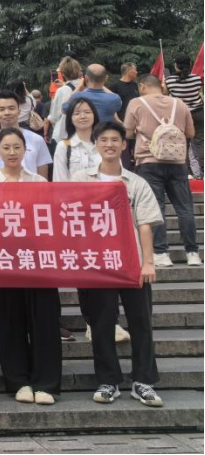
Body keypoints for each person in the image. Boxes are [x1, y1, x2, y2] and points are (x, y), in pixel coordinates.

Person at [72, 121, 165, 407]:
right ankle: (108, 381)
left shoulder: (136, 183)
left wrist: (148, 262)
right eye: (104, 140)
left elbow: (145, 225)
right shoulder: (81, 180)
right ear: (96, 144)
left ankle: (143, 381)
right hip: (97, 265)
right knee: (101, 325)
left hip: (132, 264)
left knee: (141, 323)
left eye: (115, 140)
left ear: (124, 145)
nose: (109, 144)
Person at [0, 128, 62, 405]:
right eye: (6, 147)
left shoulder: (39, 182)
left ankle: (46, 383)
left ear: (25, 150)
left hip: (39, 261)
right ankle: (18, 381)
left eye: (17, 147)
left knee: (44, 320)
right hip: (4, 262)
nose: (12, 152)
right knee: (10, 321)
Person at [124, 74, 199, 267]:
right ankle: (192, 253)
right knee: (185, 208)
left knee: (155, 207)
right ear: (160, 86)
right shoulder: (179, 103)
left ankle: (161, 253)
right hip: (177, 162)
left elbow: (128, 132)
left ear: (142, 86)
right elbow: (190, 133)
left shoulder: (136, 103)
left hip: (148, 162)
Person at [0, 91, 53, 179]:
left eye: (11, 108)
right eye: (2, 109)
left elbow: (42, 175)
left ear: (19, 112)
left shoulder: (37, 140)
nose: (7, 112)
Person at [167, 54, 204, 179]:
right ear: (190, 64)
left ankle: (186, 172)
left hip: (180, 115)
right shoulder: (197, 79)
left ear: (176, 65)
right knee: (201, 143)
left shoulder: (169, 80)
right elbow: (200, 93)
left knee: (182, 143)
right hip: (198, 113)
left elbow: (166, 96)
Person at [52, 97, 100, 181]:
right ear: (70, 118)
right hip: (73, 190)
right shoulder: (64, 146)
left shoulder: (104, 144)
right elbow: (59, 180)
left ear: (94, 116)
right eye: (77, 113)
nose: (83, 116)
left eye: (87, 112)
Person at [46, 56, 84, 143]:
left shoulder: (61, 90)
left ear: (63, 73)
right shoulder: (86, 87)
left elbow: (54, 117)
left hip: (63, 136)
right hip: (84, 133)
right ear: (79, 71)